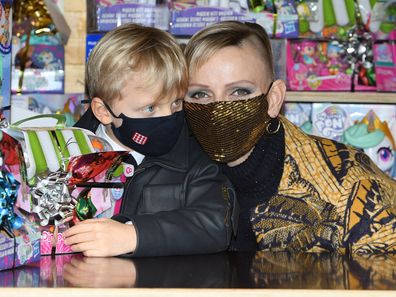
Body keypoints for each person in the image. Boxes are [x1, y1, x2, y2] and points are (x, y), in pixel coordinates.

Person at [183, 21, 396, 254]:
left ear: (273, 99)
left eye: (240, 91)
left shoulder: (348, 185)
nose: (218, 108)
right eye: (200, 94)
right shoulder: (175, 169)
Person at [63, 23, 235, 257]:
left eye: (175, 102)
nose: (167, 117)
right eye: (150, 107)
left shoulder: (195, 156)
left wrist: (134, 235)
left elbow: (217, 224)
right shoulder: (65, 156)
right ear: (103, 111)